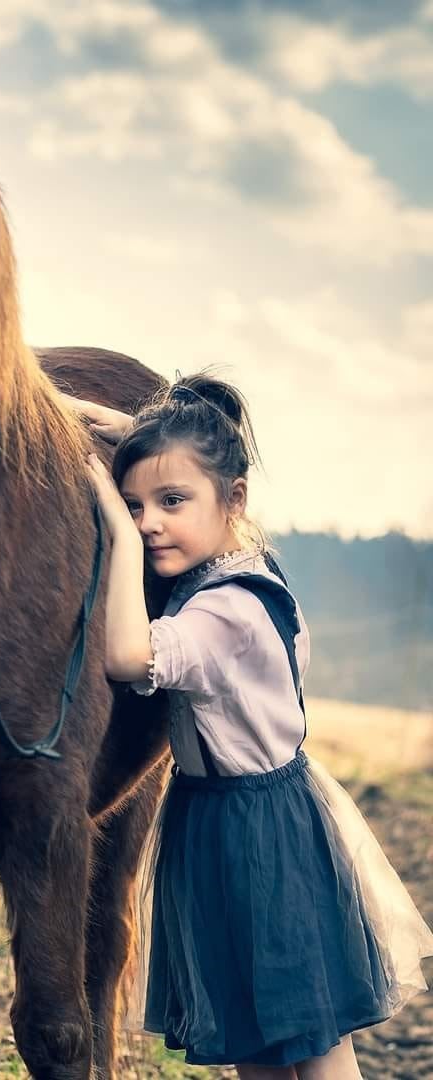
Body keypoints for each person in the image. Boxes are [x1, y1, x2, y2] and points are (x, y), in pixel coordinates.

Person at [71, 376, 433, 1080]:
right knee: (251, 1036)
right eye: (138, 504)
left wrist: (114, 528)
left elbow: (126, 656)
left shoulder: (227, 609)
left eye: (170, 503)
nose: (150, 521)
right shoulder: (240, 563)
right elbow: (167, 451)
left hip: (261, 834)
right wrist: (78, 414)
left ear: (234, 498)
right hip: (221, 823)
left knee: (313, 1038)